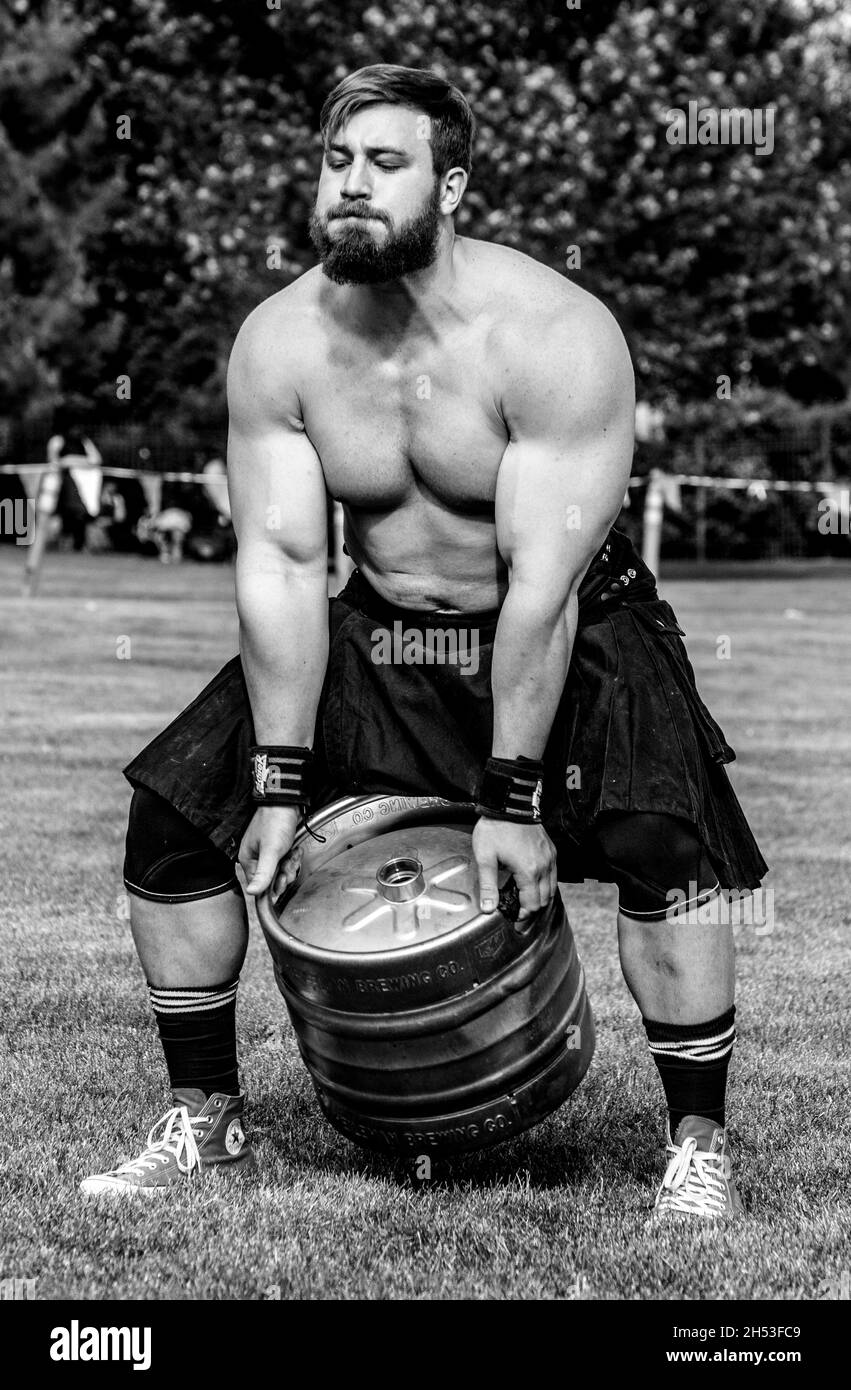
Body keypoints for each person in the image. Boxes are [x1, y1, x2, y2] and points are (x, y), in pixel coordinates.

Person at [81, 65, 767, 1218]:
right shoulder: (279, 344)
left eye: (383, 165)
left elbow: (540, 593)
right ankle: (205, 1115)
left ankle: (696, 1144)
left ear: (451, 185)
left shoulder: (553, 335)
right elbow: (288, 569)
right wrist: (280, 785)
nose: (349, 187)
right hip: (383, 626)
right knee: (173, 818)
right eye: (335, 162)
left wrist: (511, 800)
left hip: (572, 624)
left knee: (663, 838)